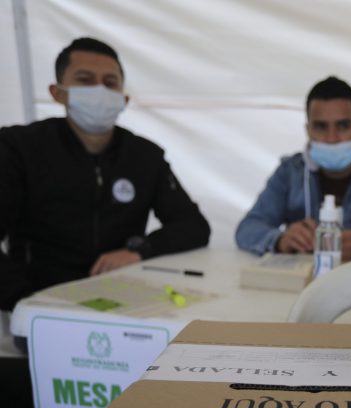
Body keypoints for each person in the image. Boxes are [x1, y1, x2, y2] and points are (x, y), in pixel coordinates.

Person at [0, 37, 211, 312]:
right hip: (40, 302)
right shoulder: (18, 148)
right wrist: (25, 301)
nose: (99, 90)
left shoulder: (145, 156)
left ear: (123, 99)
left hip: (122, 301)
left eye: (110, 83)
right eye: (85, 80)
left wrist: (139, 251)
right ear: (57, 92)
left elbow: (193, 225)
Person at [235, 76, 351, 261]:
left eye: (343, 126)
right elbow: (248, 228)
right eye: (321, 127)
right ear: (308, 130)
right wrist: (281, 240)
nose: (332, 138)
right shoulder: (290, 172)